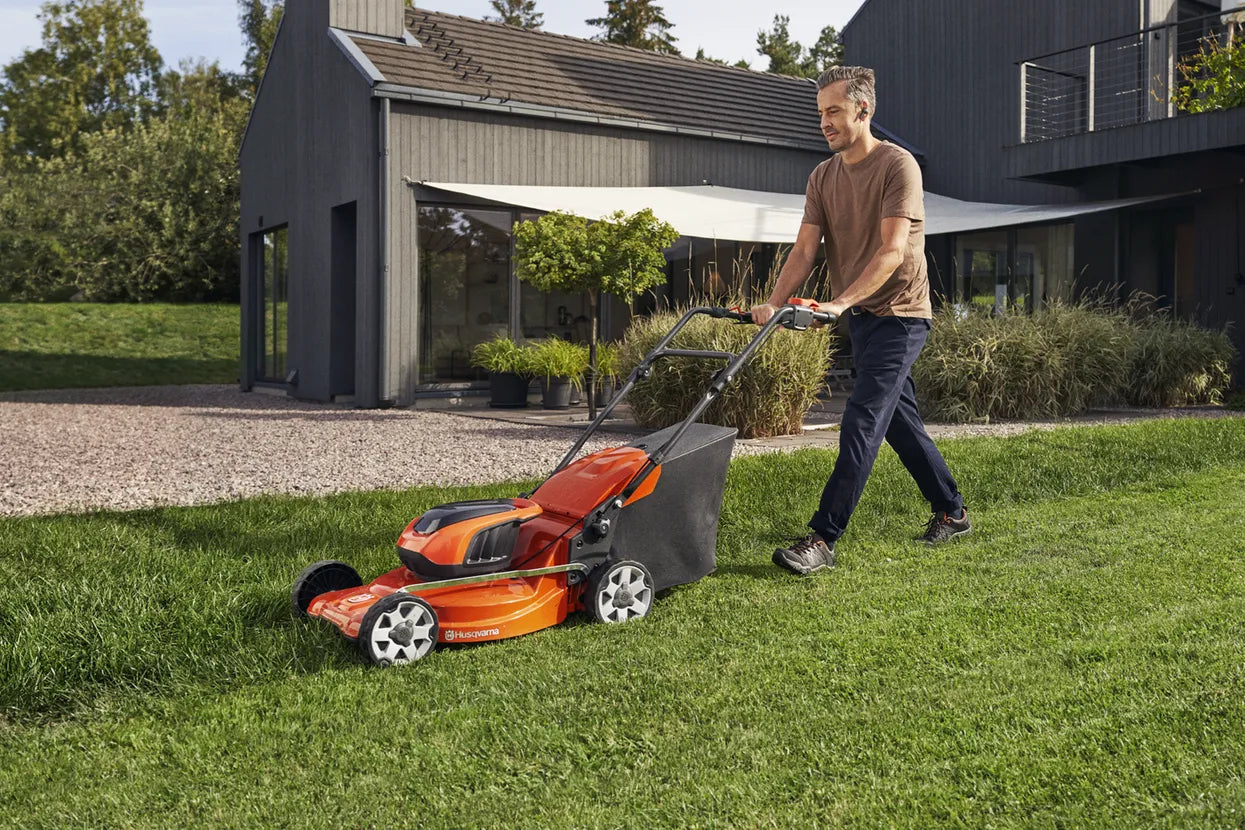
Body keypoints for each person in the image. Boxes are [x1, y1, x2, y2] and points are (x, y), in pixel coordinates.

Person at [750, 66, 970, 576]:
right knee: (898, 423)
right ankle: (953, 511)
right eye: (820, 113)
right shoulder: (822, 177)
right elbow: (806, 250)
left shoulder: (899, 167)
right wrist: (774, 301)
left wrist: (838, 303)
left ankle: (823, 537)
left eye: (833, 111)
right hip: (864, 315)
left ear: (863, 111)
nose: (824, 122)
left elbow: (893, 251)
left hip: (902, 313)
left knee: (862, 418)